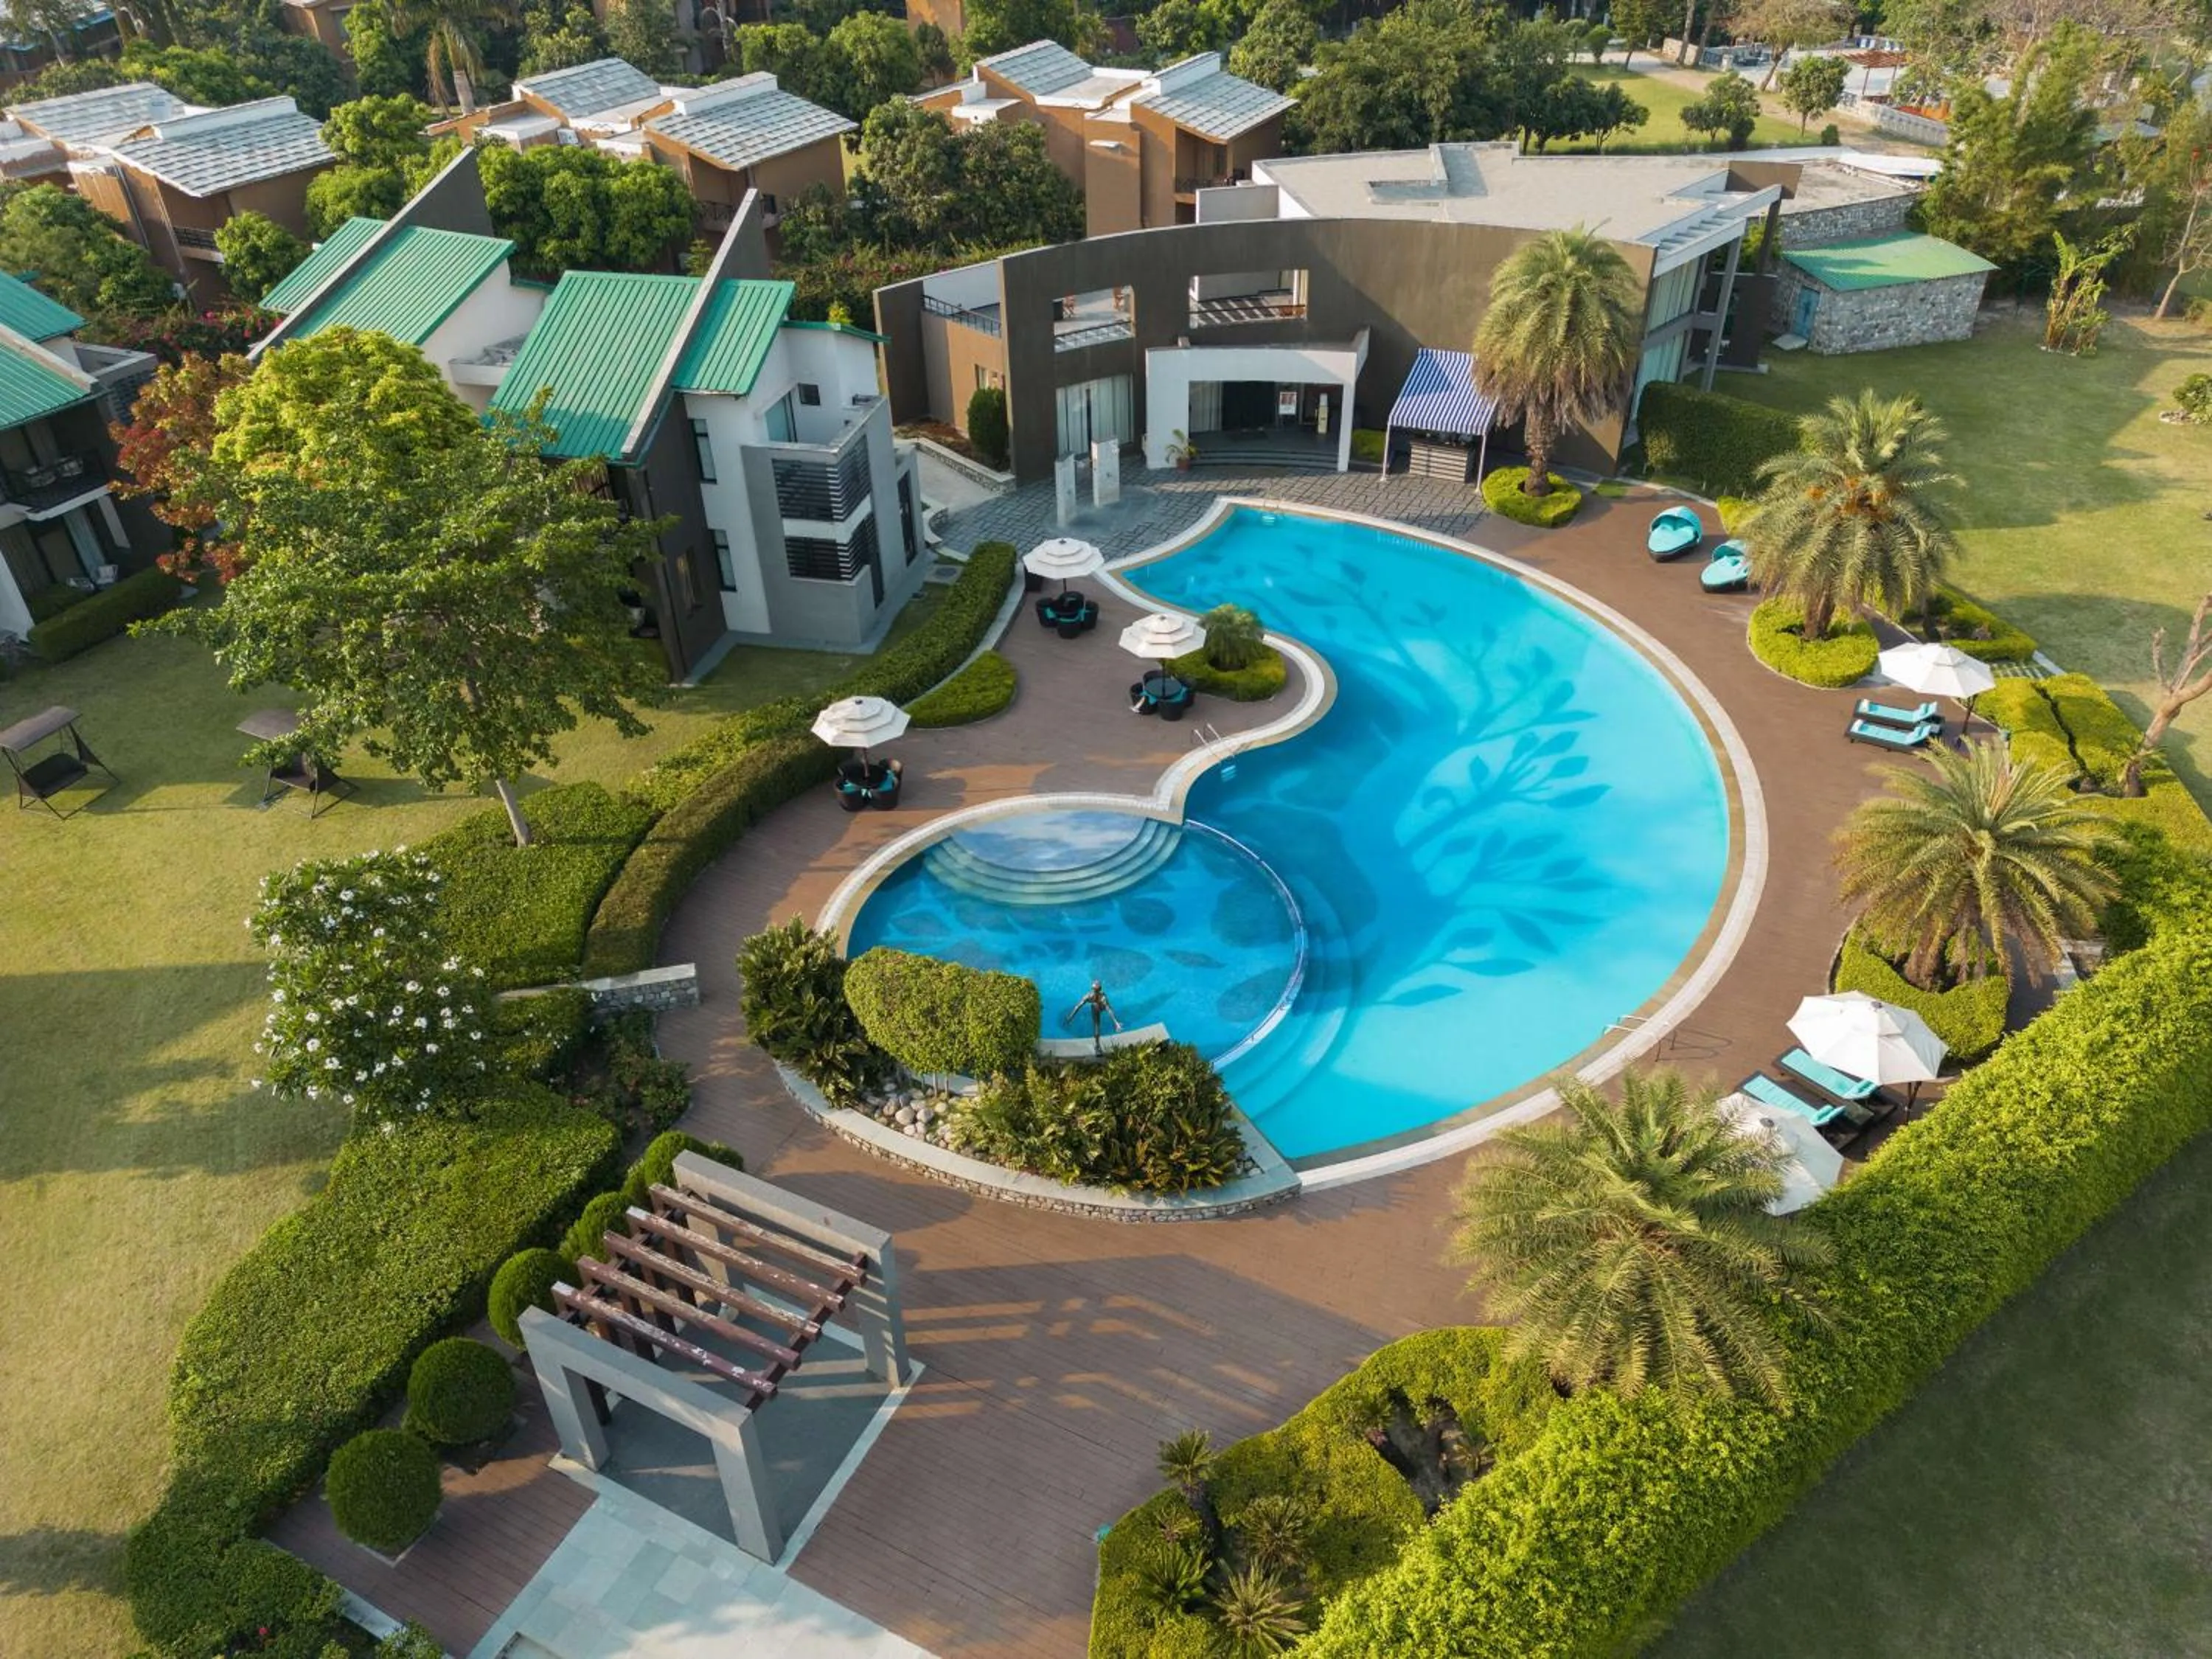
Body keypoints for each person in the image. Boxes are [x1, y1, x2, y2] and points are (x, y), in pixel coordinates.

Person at [1066, 980, 1122, 1056]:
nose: (1094, 992)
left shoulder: (1103, 998)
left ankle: (1098, 1045)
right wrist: (1071, 1016)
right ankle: (1097, 1046)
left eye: (1096, 990)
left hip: (1102, 1006)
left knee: (1104, 1006)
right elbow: (1078, 1006)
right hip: (1096, 1008)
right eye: (1093, 990)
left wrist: (1116, 1023)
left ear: (1099, 990)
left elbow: (1109, 1010)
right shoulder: (1089, 996)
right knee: (1096, 1023)